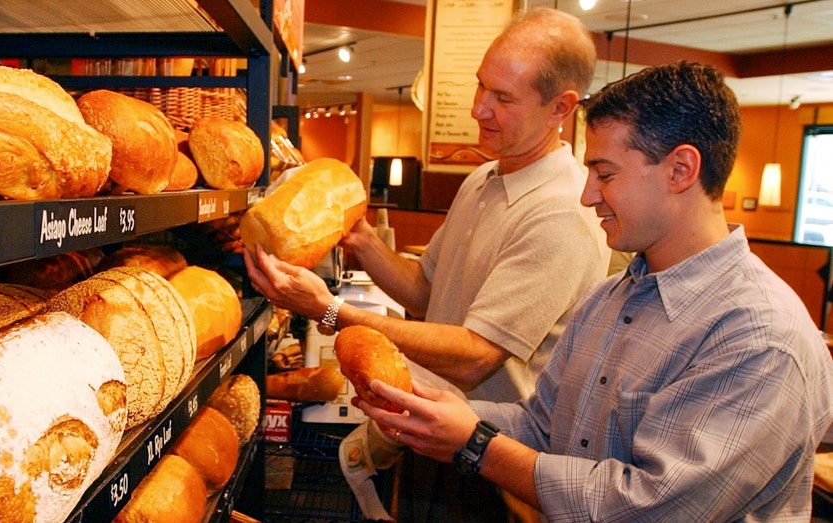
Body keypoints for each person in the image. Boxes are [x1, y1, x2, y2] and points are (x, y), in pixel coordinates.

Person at [357, 61, 833, 521]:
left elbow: (646, 508)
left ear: (681, 169)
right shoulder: (609, 300)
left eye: (605, 174)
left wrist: (476, 445)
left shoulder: (759, 335)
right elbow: (544, 425)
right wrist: (438, 410)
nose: (587, 194)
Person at [246, 8, 606, 520]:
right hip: (428, 435)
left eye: (503, 99)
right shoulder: (483, 180)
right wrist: (362, 239)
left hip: (491, 464)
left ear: (561, 108)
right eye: (481, 87)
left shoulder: (561, 213)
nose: (479, 109)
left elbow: (474, 355)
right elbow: (424, 288)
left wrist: (329, 311)